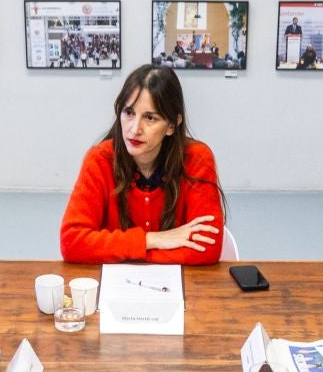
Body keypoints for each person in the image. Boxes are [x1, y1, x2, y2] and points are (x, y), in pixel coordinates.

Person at [59, 64, 225, 265]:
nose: (134, 129)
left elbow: (207, 248)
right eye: (129, 112)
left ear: (172, 124)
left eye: (150, 118)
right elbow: (72, 242)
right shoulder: (99, 159)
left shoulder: (197, 159)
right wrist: (150, 240)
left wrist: (123, 253)